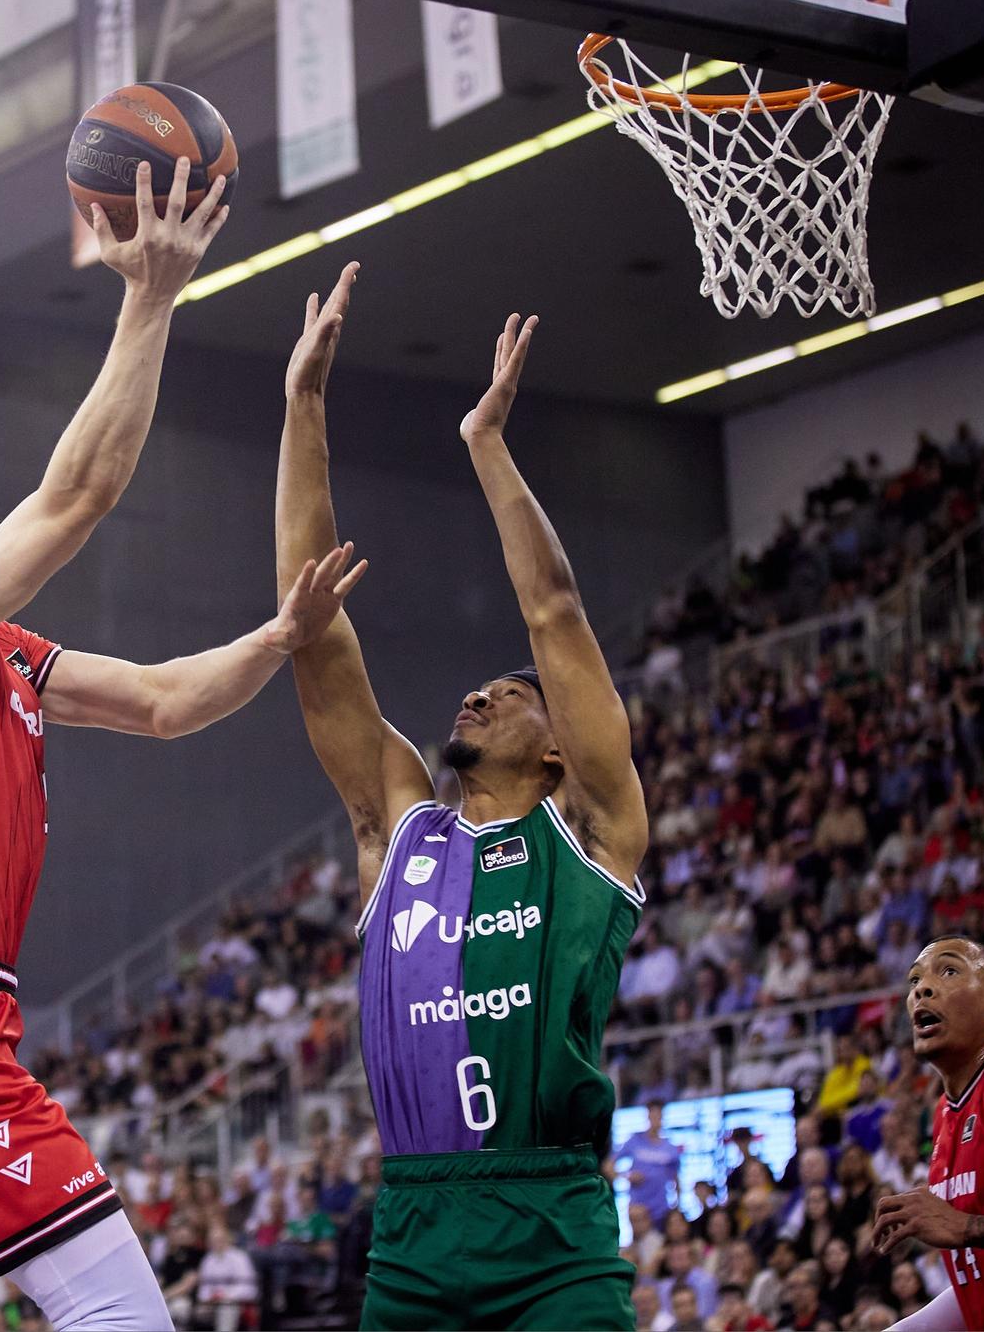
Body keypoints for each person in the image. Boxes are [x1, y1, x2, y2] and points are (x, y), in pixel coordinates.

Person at [0, 160, 358, 1332]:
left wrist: (280, 632)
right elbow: (79, 493)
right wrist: (149, 298)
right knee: (122, 1315)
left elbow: (159, 701)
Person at [274, 274, 647, 1328]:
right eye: (476, 688)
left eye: (511, 692)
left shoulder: (588, 833)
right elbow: (311, 629)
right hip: (413, 1234)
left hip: (551, 1223)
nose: (478, 691)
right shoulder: (399, 827)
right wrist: (302, 410)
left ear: (555, 756)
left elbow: (552, 608)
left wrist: (485, 440)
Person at [873, 934, 984, 1330]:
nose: (922, 989)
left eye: (949, 970)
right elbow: (983, 1279)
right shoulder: (947, 1112)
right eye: (914, 981)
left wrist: (967, 1227)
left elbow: (966, 1231)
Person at [625, 1101, 684, 1220]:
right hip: (638, 1210)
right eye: (653, 1115)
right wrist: (627, 1175)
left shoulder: (670, 1148)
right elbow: (609, 1165)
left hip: (661, 1210)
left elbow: (676, 1179)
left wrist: (677, 1206)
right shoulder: (635, 1141)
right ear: (648, 1116)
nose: (656, 1120)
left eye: (659, 1116)